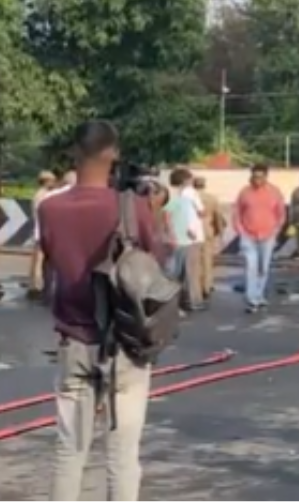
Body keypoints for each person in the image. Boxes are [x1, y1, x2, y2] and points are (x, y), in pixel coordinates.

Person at [41, 120, 159, 501]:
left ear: (75, 152)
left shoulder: (51, 209)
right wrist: (151, 213)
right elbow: (156, 268)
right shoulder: (133, 208)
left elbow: (52, 263)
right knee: (123, 457)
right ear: (114, 154)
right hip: (125, 344)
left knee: (69, 453)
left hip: (74, 340)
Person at [234, 163, 285, 313]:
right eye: (255, 177)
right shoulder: (244, 193)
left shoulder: (274, 192)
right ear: (251, 176)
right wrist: (241, 231)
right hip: (248, 236)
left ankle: (259, 294)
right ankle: (251, 299)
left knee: (263, 267)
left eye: (261, 177)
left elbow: (281, 214)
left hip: (268, 236)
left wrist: (276, 230)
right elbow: (237, 212)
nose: (257, 180)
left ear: (266, 177)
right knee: (251, 266)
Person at [165, 168, 206, 311]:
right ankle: (194, 301)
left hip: (180, 236)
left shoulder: (177, 195)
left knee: (180, 270)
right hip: (192, 237)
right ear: (185, 180)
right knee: (191, 271)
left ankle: (181, 299)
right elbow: (199, 212)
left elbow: (168, 215)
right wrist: (192, 229)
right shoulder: (190, 193)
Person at [27, 170, 59, 298]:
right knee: (40, 262)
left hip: (39, 231)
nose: (54, 183)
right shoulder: (44, 195)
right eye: (52, 180)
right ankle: (37, 287)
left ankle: (35, 286)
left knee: (38, 261)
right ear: (47, 181)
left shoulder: (38, 194)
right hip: (42, 231)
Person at [194, 176, 225, 298]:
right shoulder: (212, 198)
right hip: (207, 230)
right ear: (204, 185)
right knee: (207, 260)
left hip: (192, 232)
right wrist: (220, 232)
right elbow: (218, 216)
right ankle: (207, 286)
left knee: (195, 261)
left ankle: (197, 286)